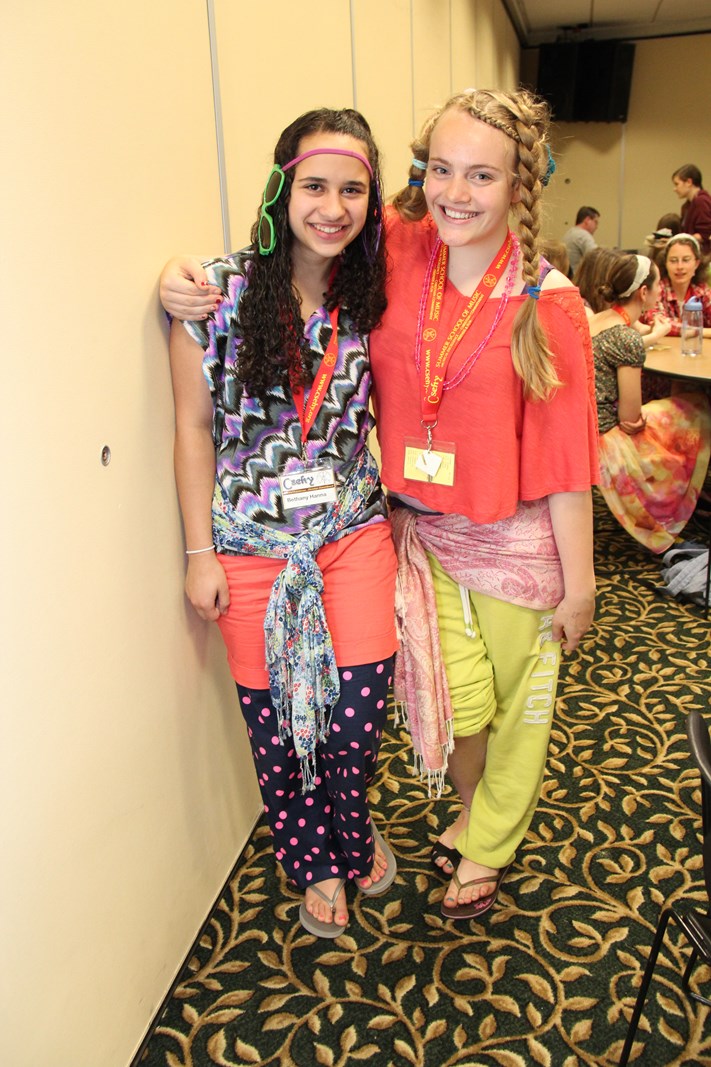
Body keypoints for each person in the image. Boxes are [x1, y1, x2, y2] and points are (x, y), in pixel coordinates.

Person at [161, 87, 599, 924]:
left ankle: (454, 837)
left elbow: (566, 457)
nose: (456, 192)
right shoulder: (373, 257)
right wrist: (175, 274)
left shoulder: (513, 299)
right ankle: (364, 845)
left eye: (481, 175)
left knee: (454, 713)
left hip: (468, 538)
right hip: (370, 536)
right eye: (442, 170)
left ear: (518, 184)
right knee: (419, 706)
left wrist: (580, 582)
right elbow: (198, 412)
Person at [167, 108, 400, 940]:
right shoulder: (215, 294)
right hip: (252, 545)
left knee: (353, 719)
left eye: (352, 190)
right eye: (315, 186)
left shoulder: (373, 294)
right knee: (275, 728)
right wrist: (199, 553)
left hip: (351, 535)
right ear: (281, 188)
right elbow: (192, 427)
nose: (332, 207)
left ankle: (352, 825)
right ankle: (316, 861)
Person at [590, 254, 710, 552]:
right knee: (698, 408)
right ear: (644, 292)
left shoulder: (597, 319)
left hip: (582, 426)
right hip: (606, 437)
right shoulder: (625, 338)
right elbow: (630, 417)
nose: (660, 291)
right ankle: (684, 504)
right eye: (657, 286)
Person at [640, 233, 711, 337]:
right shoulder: (657, 289)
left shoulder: (702, 290)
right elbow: (659, 323)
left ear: (696, 264)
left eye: (686, 260)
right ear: (666, 264)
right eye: (673, 261)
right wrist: (700, 332)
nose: (679, 266)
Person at [672, 164, 711, 256]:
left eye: (677, 184)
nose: (675, 189)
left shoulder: (701, 201)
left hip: (703, 255)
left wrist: (677, 241)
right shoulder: (687, 205)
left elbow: (705, 234)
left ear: (689, 182)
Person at [562, 206, 600, 273]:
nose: (597, 227)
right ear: (587, 220)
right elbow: (599, 259)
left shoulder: (569, 233)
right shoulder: (583, 235)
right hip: (577, 277)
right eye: (596, 222)